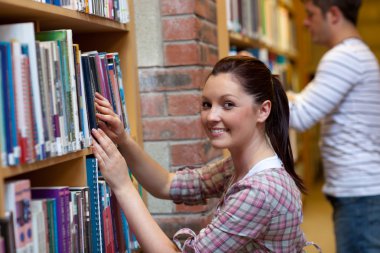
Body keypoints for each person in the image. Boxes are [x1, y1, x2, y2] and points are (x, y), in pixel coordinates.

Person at [91, 56, 315, 252]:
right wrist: (123, 140)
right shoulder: (237, 167)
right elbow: (168, 184)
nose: (211, 117)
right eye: (207, 104)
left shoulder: (260, 191)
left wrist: (122, 185)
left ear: (263, 110)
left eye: (228, 104)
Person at [287, 0, 380, 252]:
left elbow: (300, 116)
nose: (305, 23)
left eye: (311, 14)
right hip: (362, 189)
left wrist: (255, 82)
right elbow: (305, 101)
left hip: (358, 192)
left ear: (334, 15)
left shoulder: (343, 57)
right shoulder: (356, 54)